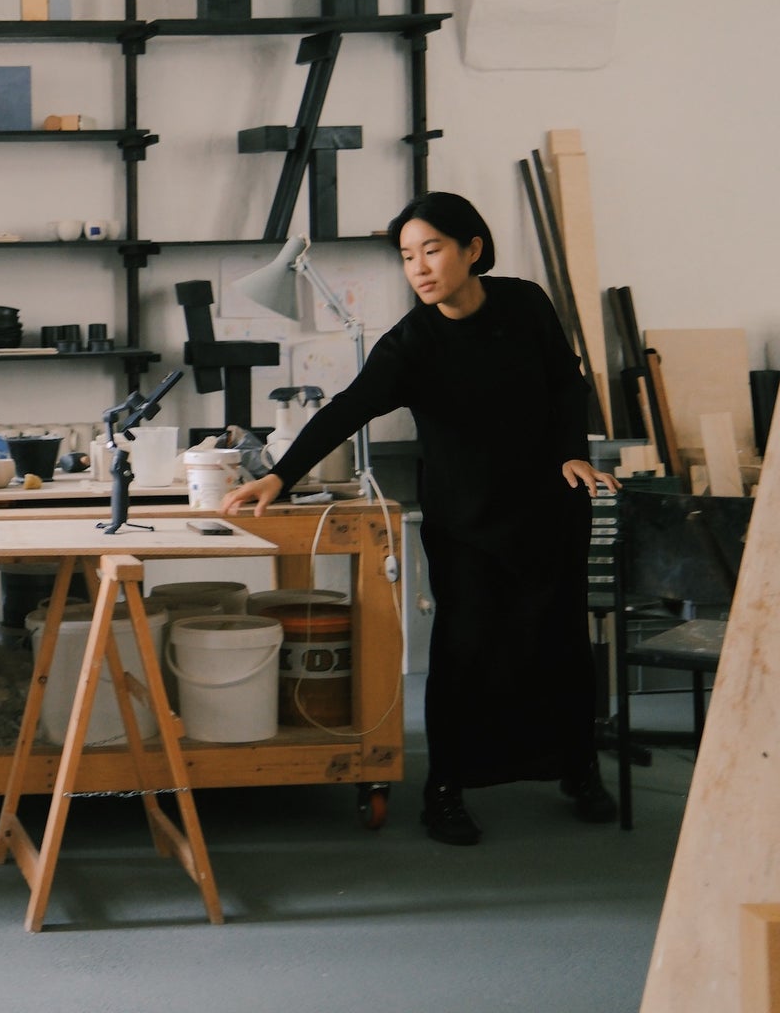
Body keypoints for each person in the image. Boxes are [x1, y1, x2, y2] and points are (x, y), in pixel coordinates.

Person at [220, 192, 619, 845]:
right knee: (463, 652)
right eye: (408, 257)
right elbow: (346, 409)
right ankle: (445, 790)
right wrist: (279, 475)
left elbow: (565, 382)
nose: (420, 268)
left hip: (547, 511)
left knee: (561, 645)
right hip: (467, 524)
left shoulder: (525, 304)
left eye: (432, 250)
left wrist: (573, 451)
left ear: (472, 249)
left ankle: (578, 770)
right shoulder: (412, 344)